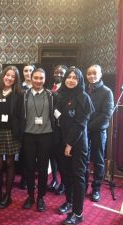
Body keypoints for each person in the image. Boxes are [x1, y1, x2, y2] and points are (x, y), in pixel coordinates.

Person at [56, 67, 94, 224]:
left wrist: (69, 144)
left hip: (77, 143)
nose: (71, 80)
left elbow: (80, 124)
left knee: (78, 177)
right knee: (65, 174)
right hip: (62, 141)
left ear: (80, 81)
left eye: (75, 78)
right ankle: (69, 202)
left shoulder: (84, 97)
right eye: (68, 77)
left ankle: (78, 213)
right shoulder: (60, 95)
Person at [21, 68, 55, 212]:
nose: (38, 81)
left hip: (46, 136)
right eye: (36, 78)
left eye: (41, 78)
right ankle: (30, 196)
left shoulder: (51, 95)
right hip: (28, 136)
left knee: (42, 169)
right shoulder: (24, 95)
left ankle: (41, 197)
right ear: (31, 77)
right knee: (29, 168)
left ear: (45, 79)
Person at [0, 65, 23, 209]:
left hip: (11, 133)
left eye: (13, 76)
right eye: (7, 75)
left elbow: (21, 117)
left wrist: (20, 135)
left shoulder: (19, 94)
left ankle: (8, 195)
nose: (9, 78)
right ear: (3, 76)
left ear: (16, 79)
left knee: (9, 164)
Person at [85, 64, 114, 202]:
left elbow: (106, 115)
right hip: (84, 131)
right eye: (89, 73)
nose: (92, 76)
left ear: (100, 74)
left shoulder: (107, 92)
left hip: (98, 131)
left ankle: (96, 189)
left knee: (98, 161)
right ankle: (83, 186)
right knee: (83, 159)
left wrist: (88, 127)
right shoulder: (83, 89)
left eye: (95, 73)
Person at [48, 64, 68, 195]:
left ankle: (63, 183)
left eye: (61, 73)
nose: (58, 75)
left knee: (62, 159)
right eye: (56, 72)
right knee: (53, 157)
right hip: (51, 129)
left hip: (62, 130)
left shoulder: (66, 90)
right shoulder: (51, 87)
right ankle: (54, 179)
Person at [18, 63, 36, 190]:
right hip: (23, 126)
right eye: (26, 71)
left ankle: (32, 178)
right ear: (22, 73)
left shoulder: (39, 87)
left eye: (31, 70)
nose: (28, 73)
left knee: (34, 155)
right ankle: (24, 178)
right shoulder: (18, 88)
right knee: (24, 154)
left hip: (36, 126)